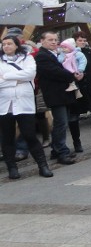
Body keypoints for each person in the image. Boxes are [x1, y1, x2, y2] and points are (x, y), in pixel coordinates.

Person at [0, 35, 53, 178]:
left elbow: (30, 74)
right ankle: (12, 168)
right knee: (7, 137)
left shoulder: (27, 58)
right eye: (4, 44)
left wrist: (7, 77)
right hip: (5, 104)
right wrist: (16, 80)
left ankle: (43, 166)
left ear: (17, 45)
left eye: (9, 43)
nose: (6, 46)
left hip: (24, 103)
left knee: (30, 135)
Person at [34, 31, 79, 165]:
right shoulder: (42, 56)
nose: (54, 42)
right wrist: (72, 75)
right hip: (55, 94)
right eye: (50, 40)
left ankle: (57, 149)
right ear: (42, 41)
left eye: (55, 40)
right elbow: (54, 72)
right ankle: (61, 152)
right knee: (61, 123)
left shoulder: (55, 54)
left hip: (62, 93)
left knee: (61, 123)